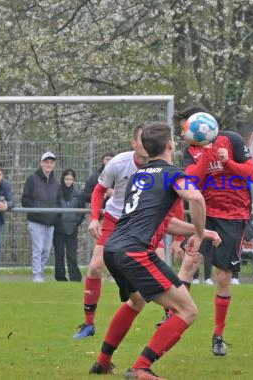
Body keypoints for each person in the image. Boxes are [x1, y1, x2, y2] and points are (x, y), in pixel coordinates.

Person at [88, 121, 208, 380]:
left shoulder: (137, 176)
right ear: (170, 145)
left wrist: (201, 232)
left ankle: (103, 361)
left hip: (114, 249)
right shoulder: (172, 173)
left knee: (137, 300)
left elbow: (166, 222)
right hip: (135, 252)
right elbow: (196, 198)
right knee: (188, 311)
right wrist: (198, 234)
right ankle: (141, 367)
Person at [174, 104, 253, 356]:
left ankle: (218, 334)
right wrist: (208, 156)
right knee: (190, 262)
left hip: (234, 215)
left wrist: (227, 161)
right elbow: (192, 181)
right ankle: (174, 315)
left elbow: (251, 173)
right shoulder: (192, 150)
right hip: (205, 213)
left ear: (201, 124)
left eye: (185, 127)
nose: (183, 133)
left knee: (222, 277)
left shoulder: (231, 139)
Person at [74, 125, 167, 339]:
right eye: (142, 140)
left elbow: (175, 198)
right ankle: (89, 325)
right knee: (96, 267)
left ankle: (169, 314)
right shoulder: (118, 163)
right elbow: (99, 190)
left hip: (144, 221)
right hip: (115, 218)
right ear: (133, 143)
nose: (146, 144)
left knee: (159, 263)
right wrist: (94, 218)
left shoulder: (161, 166)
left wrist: (179, 236)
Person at [22, 152, 59, 283]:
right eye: (46, 162)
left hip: (50, 222)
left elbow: (58, 201)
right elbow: (25, 199)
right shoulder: (32, 179)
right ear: (41, 163)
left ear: (54, 165)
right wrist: (38, 210)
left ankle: (41, 272)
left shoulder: (56, 182)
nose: (49, 164)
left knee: (46, 250)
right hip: (36, 220)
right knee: (38, 248)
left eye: (51, 162)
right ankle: (36, 275)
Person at [53, 169, 84, 282]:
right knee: (59, 254)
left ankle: (75, 277)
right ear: (63, 179)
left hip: (72, 228)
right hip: (59, 228)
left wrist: (76, 222)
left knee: (71, 254)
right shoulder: (57, 191)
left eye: (71, 179)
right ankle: (60, 277)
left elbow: (82, 210)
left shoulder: (78, 193)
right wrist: (58, 221)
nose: (68, 181)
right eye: (66, 179)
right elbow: (54, 207)